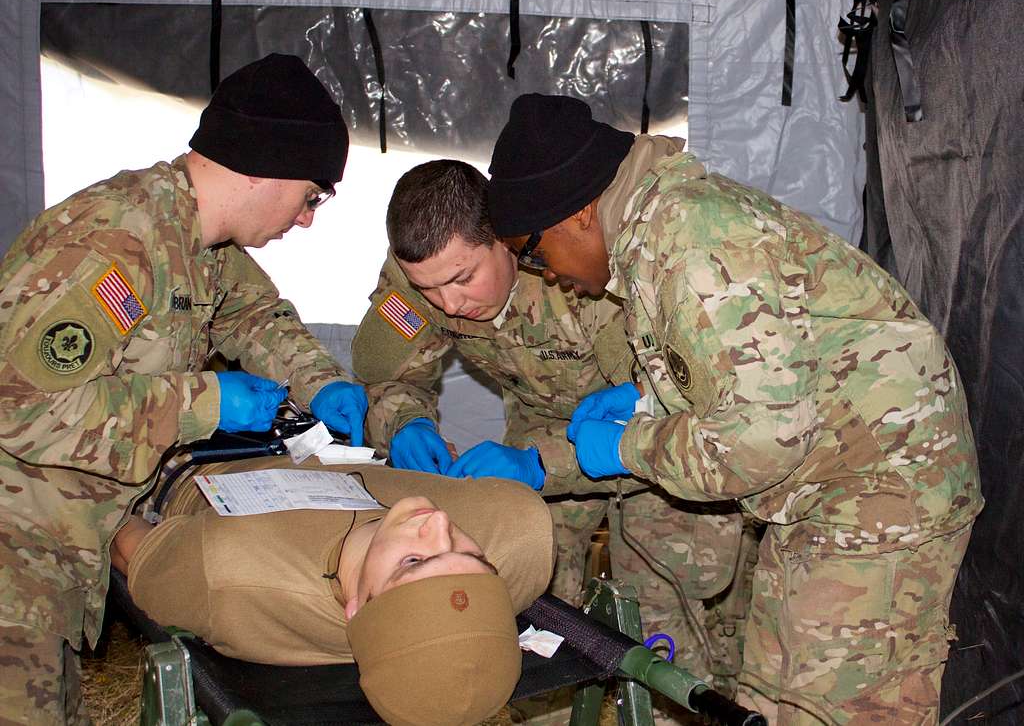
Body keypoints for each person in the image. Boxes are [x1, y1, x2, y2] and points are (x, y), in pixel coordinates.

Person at [485, 93, 985, 723]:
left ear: (579, 213)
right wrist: (645, 399)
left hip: (881, 488)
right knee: (767, 699)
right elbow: (744, 371)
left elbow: (758, 443)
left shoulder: (693, 246)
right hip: (822, 480)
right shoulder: (659, 233)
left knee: (838, 706)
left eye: (532, 251)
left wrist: (629, 445)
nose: (543, 273)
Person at [0, 53, 369, 724]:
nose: (309, 218)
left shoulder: (199, 242)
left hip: (60, 553)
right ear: (267, 163)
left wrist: (323, 384)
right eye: (312, 196)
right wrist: (204, 403)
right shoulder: (116, 242)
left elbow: (253, 316)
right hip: (15, 556)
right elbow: (21, 406)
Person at [350, 160, 750, 716]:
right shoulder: (421, 279)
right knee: (531, 609)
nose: (449, 304)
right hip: (535, 434)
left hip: (653, 442)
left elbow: (661, 408)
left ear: (507, 243)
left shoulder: (578, 265)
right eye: (429, 288)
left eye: (463, 279)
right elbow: (388, 375)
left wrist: (542, 462)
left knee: (669, 614)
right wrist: (406, 422)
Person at [112, 457, 554, 726]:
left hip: (191, 462)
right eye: (475, 559)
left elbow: (115, 531)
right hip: (313, 434)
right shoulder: (519, 537)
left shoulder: (228, 572)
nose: (439, 524)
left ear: (356, 610)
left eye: (413, 562)